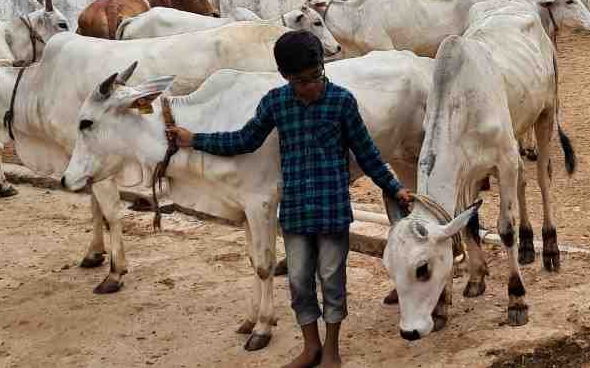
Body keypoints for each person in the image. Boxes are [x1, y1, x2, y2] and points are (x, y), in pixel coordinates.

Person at [166, 31, 413, 368]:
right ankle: (310, 347)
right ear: (285, 77)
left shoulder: (342, 101)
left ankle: (332, 349)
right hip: (295, 212)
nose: (310, 87)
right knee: (298, 281)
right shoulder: (276, 103)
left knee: (332, 280)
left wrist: (393, 186)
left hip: (332, 210)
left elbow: (367, 153)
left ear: (322, 67)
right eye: (300, 81)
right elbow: (245, 140)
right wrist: (194, 139)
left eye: (315, 77)